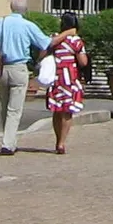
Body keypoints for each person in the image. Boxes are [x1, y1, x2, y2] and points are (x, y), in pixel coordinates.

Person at [0, 0, 51, 155]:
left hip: (2, 67)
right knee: (14, 109)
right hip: (19, 67)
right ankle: (8, 144)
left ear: (11, 7)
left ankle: (8, 140)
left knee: (4, 106)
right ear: (25, 9)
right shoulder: (28, 25)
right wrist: (38, 60)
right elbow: (45, 43)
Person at [45, 11, 89, 155]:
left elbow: (43, 52)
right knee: (67, 112)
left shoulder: (54, 38)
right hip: (69, 78)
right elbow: (83, 62)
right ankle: (62, 143)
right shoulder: (76, 41)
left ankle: (58, 140)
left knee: (57, 111)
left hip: (56, 78)